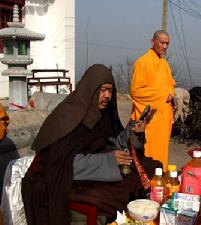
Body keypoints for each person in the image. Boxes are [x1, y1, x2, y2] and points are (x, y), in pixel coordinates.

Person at [21, 64, 162, 225]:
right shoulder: (67, 117)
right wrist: (109, 160)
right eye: (102, 90)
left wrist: (135, 133)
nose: (107, 96)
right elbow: (63, 164)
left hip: (98, 171)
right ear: (90, 90)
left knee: (152, 167)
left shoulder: (102, 113)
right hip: (64, 179)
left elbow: (114, 141)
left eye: (110, 91)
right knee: (117, 193)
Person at [130, 30, 175, 171]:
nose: (165, 46)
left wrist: (171, 94)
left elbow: (170, 85)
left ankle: (159, 180)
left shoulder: (164, 64)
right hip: (150, 121)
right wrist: (163, 96)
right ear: (153, 42)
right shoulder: (142, 62)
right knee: (148, 157)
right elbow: (136, 91)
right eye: (162, 42)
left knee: (161, 155)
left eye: (167, 43)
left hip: (162, 119)